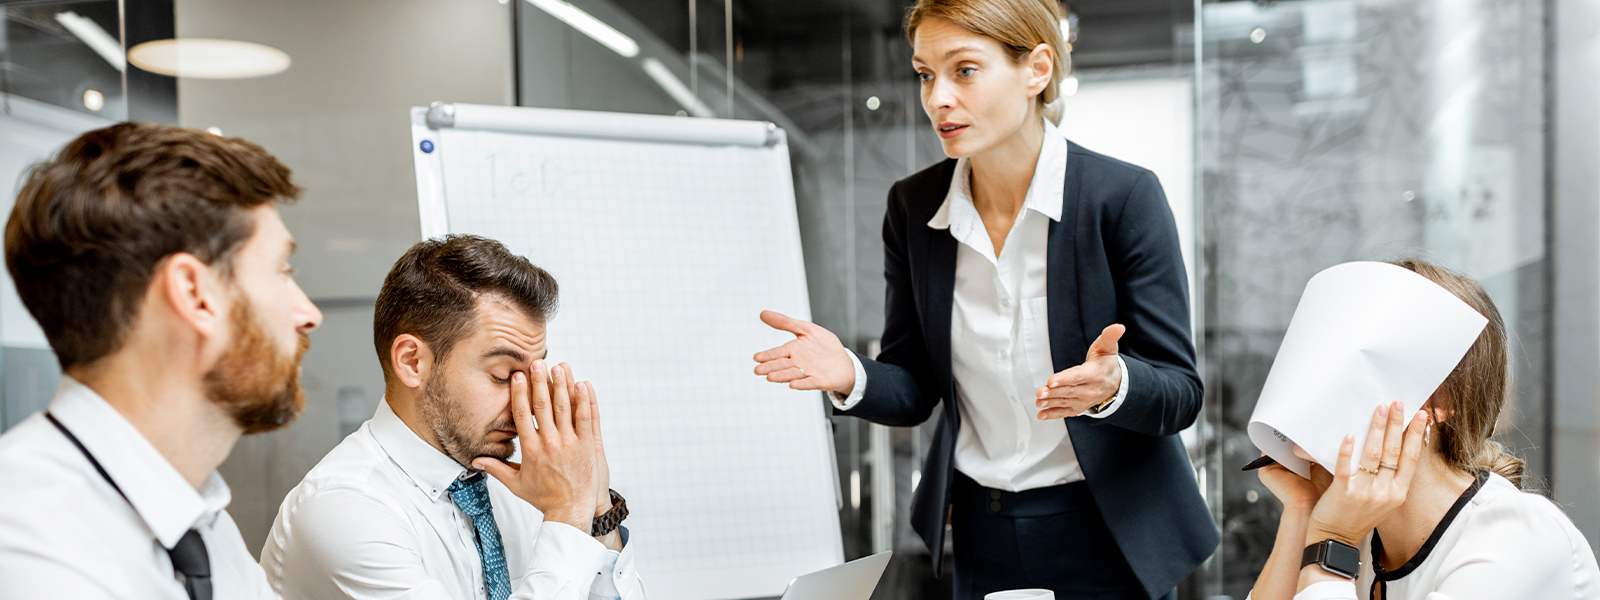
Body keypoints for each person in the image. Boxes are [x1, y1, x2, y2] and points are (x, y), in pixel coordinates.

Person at [752, 0, 1216, 598]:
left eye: (963, 70)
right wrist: (851, 375)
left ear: (1037, 70)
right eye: (924, 74)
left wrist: (1115, 386)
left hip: (1112, 528)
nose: (937, 97)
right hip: (982, 527)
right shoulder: (913, 208)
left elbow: (1180, 392)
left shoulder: (1122, 198)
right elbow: (915, 384)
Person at [0, 123, 323, 599]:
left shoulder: (199, 521)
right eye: (282, 272)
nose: (308, 315)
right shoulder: (29, 542)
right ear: (196, 294)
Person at [260, 234, 643, 600]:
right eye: (503, 375)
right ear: (412, 362)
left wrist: (595, 512)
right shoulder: (341, 509)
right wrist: (565, 514)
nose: (525, 402)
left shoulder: (524, 485)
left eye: (532, 375)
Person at [1250, 258, 1600, 600]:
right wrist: (1303, 509)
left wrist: (1331, 545)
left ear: (1439, 402)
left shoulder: (1520, 537)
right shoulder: (1354, 523)